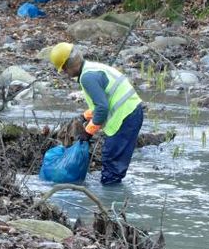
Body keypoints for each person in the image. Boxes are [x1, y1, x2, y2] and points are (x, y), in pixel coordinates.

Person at [49, 42, 145, 185]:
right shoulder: (90, 68)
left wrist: (88, 132)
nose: (64, 73)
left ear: (69, 65)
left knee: (112, 162)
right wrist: (84, 116)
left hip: (126, 116)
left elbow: (102, 108)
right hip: (131, 112)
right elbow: (102, 102)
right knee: (112, 159)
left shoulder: (87, 78)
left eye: (63, 69)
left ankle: (111, 198)